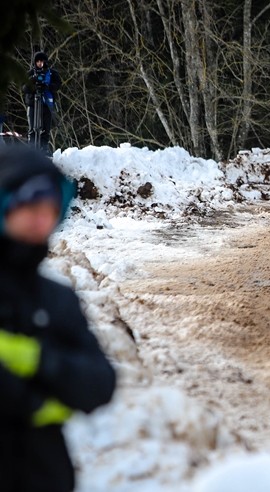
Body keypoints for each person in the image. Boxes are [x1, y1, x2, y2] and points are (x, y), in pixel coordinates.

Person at [0, 145, 116, 491]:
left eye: (50, 209)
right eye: (30, 206)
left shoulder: (55, 297)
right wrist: (36, 402)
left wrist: (36, 360)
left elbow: (100, 383)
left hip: (44, 472)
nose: (41, 220)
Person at [22, 52, 62, 155]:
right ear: (35, 62)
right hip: (32, 104)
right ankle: (32, 151)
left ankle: (44, 149)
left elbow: (58, 84)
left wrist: (48, 87)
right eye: (38, 61)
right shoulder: (30, 73)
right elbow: (24, 88)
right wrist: (32, 83)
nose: (40, 63)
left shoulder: (51, 73)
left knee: (46, 129)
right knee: (32, 129)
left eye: (42, 61)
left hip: (47, 104)